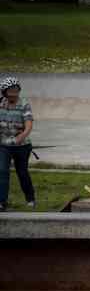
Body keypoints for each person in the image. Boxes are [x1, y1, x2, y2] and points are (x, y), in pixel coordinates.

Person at [0, 76, 36, 212]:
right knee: (2, 171)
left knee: (22, 172)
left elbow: (28, 125)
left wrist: (21, 137)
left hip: (22, 146)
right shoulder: (0, 103)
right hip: (4, 145)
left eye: (16, 90)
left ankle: (30, 198)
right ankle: (2, 202)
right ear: (4, 92)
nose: (14, 94)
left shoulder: (24, 104)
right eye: (11, 91)